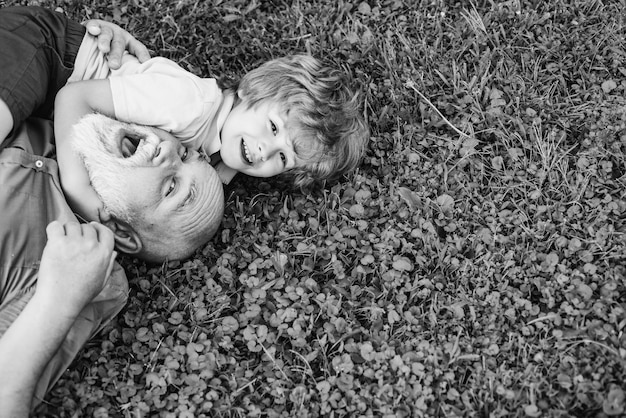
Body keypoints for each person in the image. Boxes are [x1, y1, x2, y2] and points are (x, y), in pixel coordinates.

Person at [0, 6, 225, 414]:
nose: (171, 148)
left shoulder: (90, 275)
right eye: (189, 153)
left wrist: (59, 299)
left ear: (121, 232)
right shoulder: (51, 120)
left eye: (173, 185)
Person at [52, 23, 369, 222]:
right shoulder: (187, 105)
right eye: (273, 128)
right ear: (249, 91)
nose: (264, 151)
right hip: (54, 58)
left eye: (283, 158)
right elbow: (72, 99)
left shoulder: (226, 149)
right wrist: (77, 187)